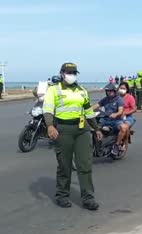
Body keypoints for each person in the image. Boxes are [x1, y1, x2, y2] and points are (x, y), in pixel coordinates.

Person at [42, 63, 102, 210]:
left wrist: (96, 128)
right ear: (62, 73)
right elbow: (48, 108)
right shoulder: (54, 90)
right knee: (64, 165)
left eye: (74, 72)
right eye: (69, 72)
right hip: (63, 129)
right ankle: (62, 195)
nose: (72, 75)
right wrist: (50, 125)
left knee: (85, 165)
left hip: (82, 130)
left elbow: (88, 111)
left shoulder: (82, 90)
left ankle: (88, 198)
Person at [90, 83, 127, 156]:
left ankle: (116, 145)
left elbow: (120, 111)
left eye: (111, 91)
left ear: (114, 91)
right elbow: (96, 106)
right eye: (107, 91)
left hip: (116, 120)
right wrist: (87, 110)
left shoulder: (119, 100)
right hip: (105, 119)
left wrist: (115, 114)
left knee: (123, 128)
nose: (109, 93)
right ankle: (98, 146)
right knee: (94, 128)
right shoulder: (105, 99)